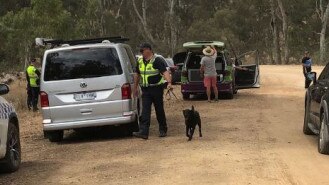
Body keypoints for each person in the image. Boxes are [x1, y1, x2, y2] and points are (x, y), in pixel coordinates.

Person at [132, 43, 172, 140]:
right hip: (145, 90)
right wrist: (135, 88)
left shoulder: (157, 60)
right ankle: (144, 132)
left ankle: (163, 129)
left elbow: (165, 72)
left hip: (156, 89)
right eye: (140, 51)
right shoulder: (140, 61)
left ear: (149, 50)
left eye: (143, 51)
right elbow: (137, 74)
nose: (141, 53)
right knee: (145, 111)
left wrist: (169, 83)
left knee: (159, 110)